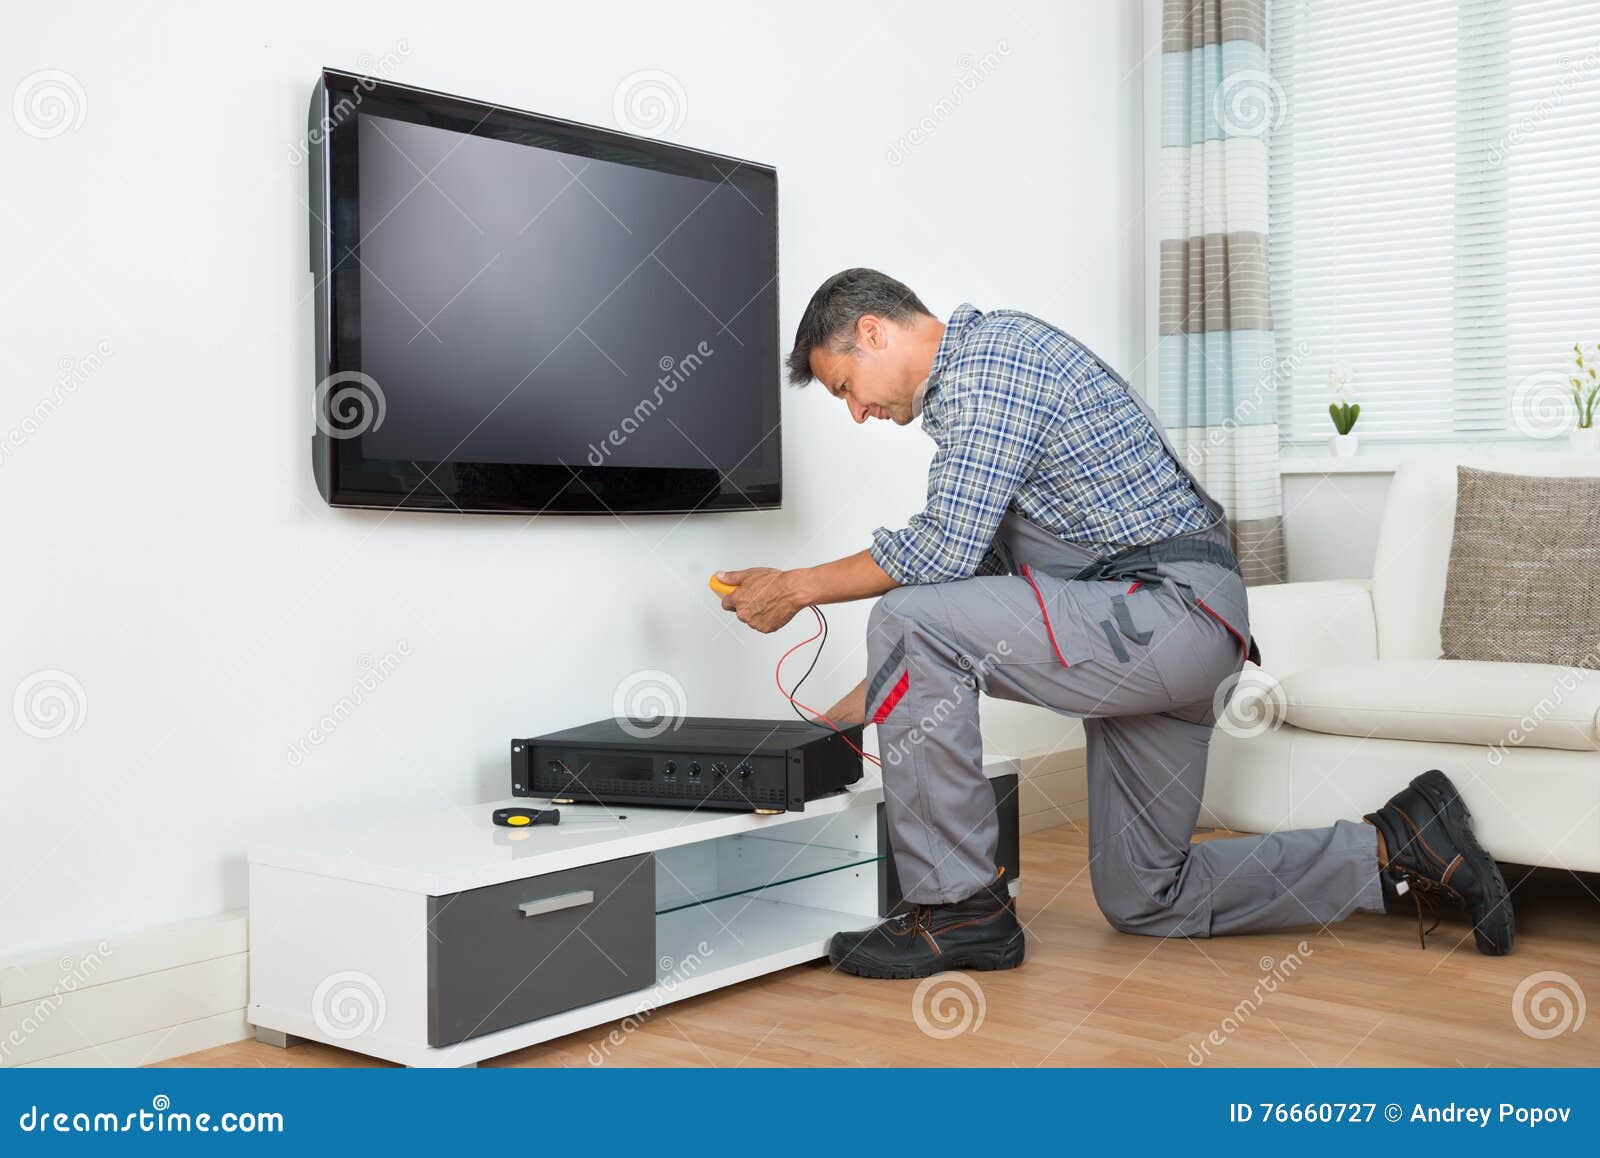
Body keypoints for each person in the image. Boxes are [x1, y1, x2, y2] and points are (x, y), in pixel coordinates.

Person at [715, 268, 1514, 979]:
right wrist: (838, 722)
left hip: (1164, 612)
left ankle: (960, 910)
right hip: (1168, 628)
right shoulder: (982, 395)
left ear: (872, 331)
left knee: (906, 611)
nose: (857, 412)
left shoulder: (991, 364)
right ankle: (1400, 843)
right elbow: (961, 601)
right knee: (1146, 893)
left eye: (845, 388)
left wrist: (796, 587)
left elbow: (936, 553)